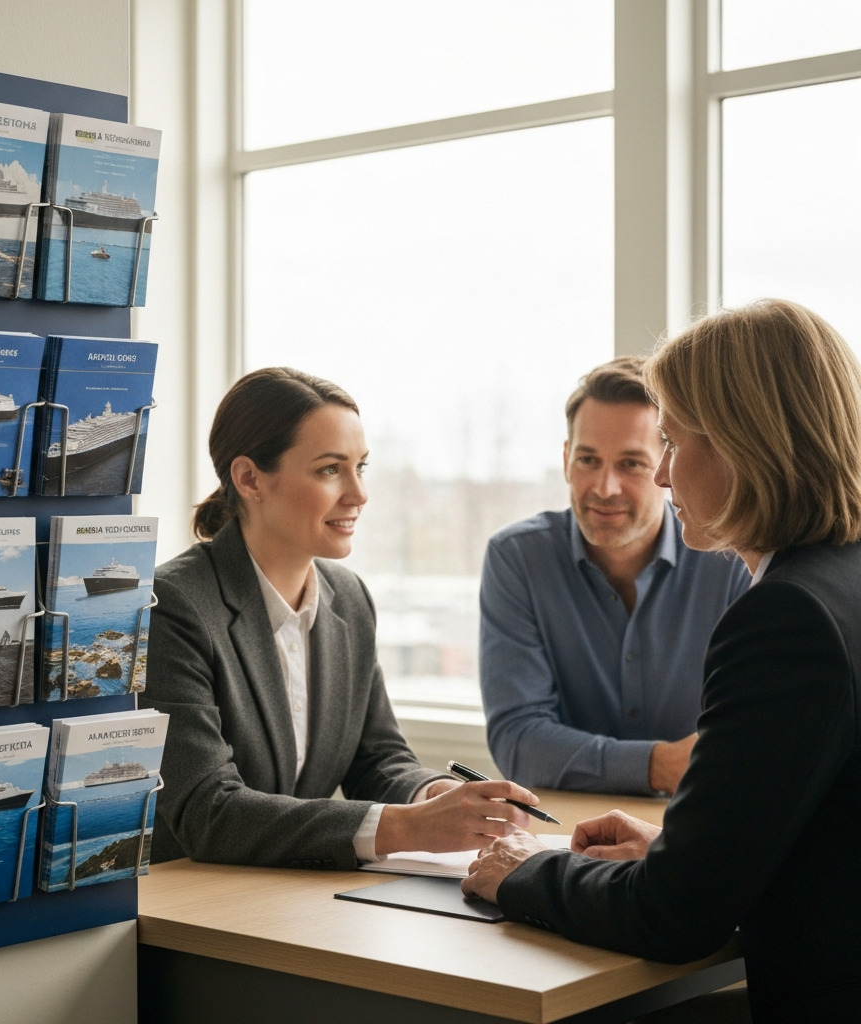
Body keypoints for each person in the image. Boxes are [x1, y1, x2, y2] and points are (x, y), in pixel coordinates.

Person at [463, 300, 861, 1023]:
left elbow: (674, 920)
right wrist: (683, 849)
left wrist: (528, 871)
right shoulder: (842, 581)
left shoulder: (784, 616)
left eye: (672, 446)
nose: (666, 478)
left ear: (746, 445)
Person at [144, 367, 537, 869]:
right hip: (193, 908)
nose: (359, 493)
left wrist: (435, 796)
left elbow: (376, 759)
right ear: (249, 479)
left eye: (361, 467)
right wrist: (411, 827)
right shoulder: (174, 605)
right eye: (331, 469)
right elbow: (208, 811)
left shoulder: (348, 598)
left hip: (294, 899)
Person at [481, 356, 750, 796]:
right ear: (566, 458)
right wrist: (659, 765)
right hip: (566, 833)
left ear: (668, 466)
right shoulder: (517, 559)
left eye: (631, 464)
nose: (605, 488)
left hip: (693, 829)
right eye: (588, 459)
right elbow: (518, 741)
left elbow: (744, 740)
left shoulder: (730, 558)